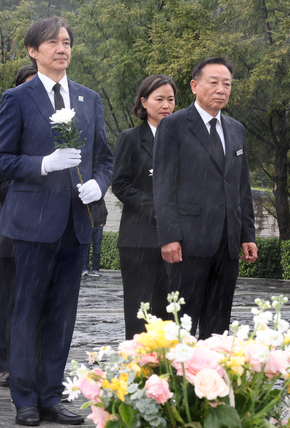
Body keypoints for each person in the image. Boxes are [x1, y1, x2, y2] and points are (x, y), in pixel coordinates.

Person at [0, 17, 113, 426]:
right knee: (25, 314)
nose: (62, 48)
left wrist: (99, 183)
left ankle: (51, 395)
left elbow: (106, 158)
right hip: (30, 226)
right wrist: (42, 163)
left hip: (75, 225)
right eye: (53, 42)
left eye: (67, 42)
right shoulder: (18, 98)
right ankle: (24, 398)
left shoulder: (88, 99)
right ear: (33, 50)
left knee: (61, 317)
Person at [153, 57, 258, 341]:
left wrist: (247, 234)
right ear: (194, 85)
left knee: (218, 326)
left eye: (227, 84)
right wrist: (169, 236)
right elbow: (163, 185)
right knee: (181, 325)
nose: (221, 89)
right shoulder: (173, 126)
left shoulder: (236, 129)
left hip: (227, 243)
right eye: (213, 83)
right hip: (188, 243)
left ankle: (212, 382)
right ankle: (178, 382)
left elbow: (241, 187)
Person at [112, 74, 176, 339]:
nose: (166, 105)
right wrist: (157, 208)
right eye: (159, 99)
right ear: (144, 102)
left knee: (169, 311)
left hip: (175, 239)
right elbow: (120, 184)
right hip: (139, 239)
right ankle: (138, 369)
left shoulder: (181, 138)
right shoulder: (130, 138)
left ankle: (166, 371)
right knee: (140, 310)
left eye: (171, 100)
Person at [0, 65, 35, 389]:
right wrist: (30, 196)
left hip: (53, 233)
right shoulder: (10, 125)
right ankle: (9, 364)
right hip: (15, 229)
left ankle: (40, 367)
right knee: (13, 302)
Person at [81, 198, 107, 277]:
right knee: (86, 249)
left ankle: (95, 269)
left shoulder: (101, 200)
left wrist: (102, 223)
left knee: (97, 250)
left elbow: (105, 212)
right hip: (88, 226)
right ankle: (85, 268)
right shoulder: (87, 200)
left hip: (98, 226)